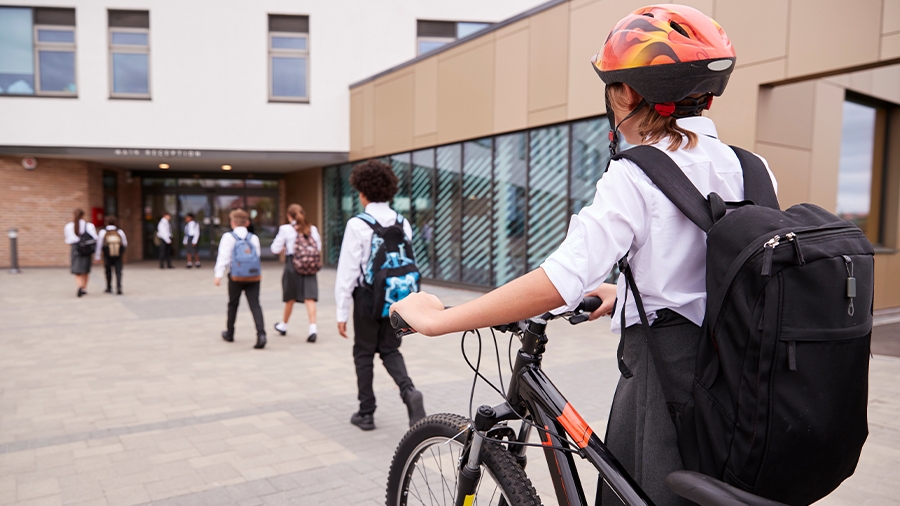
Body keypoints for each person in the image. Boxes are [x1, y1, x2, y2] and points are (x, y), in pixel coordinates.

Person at [391, 6, 775, 506]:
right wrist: (624, 296)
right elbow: (726, 267)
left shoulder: (636, 174)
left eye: (612, 89)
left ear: (629, 93)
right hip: (743, 376)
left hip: (668, 382)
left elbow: (560, 280)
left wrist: (441, 320)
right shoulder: (752, 167)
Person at [335, 160, 425, 431]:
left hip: (367, 299)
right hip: (397, 300)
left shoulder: (357, 224)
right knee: (390, 350)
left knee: (363, 354)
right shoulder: (403, 222)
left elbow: (347, 273)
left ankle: (366, 413)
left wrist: (341, 311)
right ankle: (409, 393)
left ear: (362, 191)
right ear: (389, 190)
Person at [214, 208, 266, 349]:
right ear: (247, 223)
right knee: (255, 304)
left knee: (233, 304)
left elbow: (223, 257)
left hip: (236, 276)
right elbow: (257, 256)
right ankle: (261, 334)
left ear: (232, 223)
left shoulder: (228, 237)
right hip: (254, 276)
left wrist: (218, 275)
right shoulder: (253, 238)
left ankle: (230, 333)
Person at [271, 204, 321, 342]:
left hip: (293, 265)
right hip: (310, 266)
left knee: (290, 297)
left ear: (289, 216)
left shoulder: (286, 229)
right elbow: (319, 246)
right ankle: (312, 328)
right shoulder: (312, 228)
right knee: (309, 298)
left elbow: (275, 249)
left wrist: (286, 247)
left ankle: (284, 325)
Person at [63, 209, 98, 297]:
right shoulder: (89, 225)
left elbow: (68, 241)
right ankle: (84, 288)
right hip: (86, 249)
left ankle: (79, 286)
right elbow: (94, 238)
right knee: (85, 270)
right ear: (83, 215)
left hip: (75, 248)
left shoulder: (68, 226)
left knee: (77, 270)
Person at [94, 215, 127, 295]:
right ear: (115, 223)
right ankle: (119, 287)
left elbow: (99, 244)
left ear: (106, 223)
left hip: (107, 254)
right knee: (118, 271)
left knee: (108, 270)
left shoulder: (103, 232)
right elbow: (125, 243)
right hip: (118, 254)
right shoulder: (120, 231)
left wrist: (97, 256)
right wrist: (122, 252)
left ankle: (109, 287)